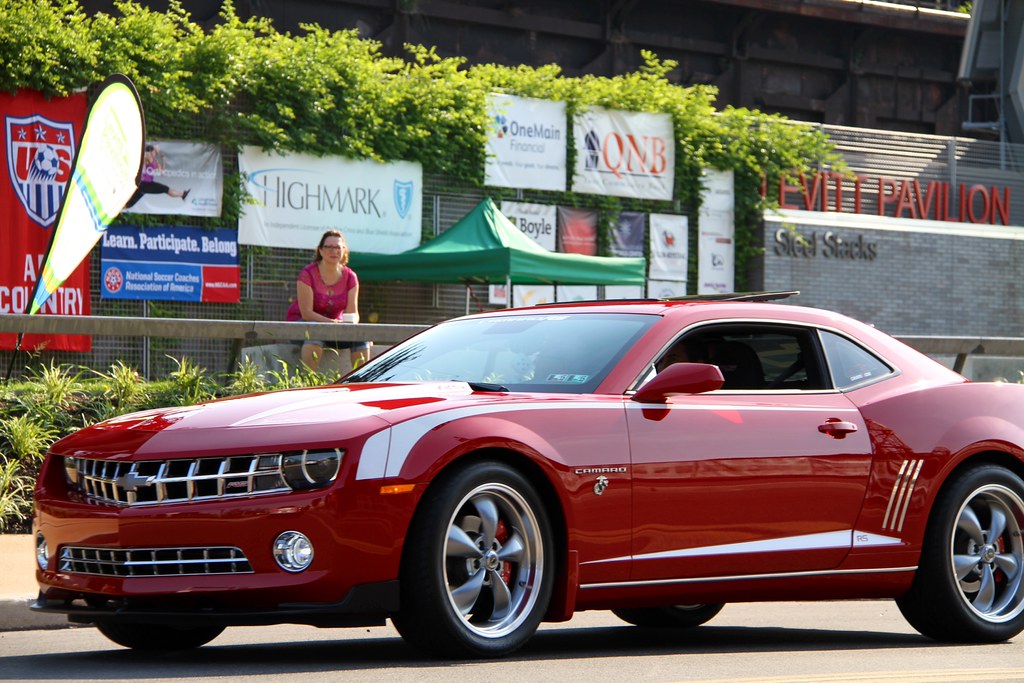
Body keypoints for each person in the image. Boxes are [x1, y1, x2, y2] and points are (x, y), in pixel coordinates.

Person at [285, 230, 370, 371]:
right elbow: (306, 314)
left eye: (338, 247)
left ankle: (360, 383)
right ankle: (309, 382)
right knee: (316, 331)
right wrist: (331, 323)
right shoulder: (307, 274)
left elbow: (353, 313)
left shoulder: (351, 277)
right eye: (329, 247)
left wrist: (352, 324)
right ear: (321, 250)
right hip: (304, 326)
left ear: (344, 251)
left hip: (335, 328)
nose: (334, 251)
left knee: (361, 335)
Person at [125, 144, 190, 208]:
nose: (156, 153)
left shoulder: (155, 161)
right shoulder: (148, 156)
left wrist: (163, 160)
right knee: (166, 189)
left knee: (129, 205)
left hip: (145, 184)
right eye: (154, 151)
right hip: (144, 183)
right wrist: (155, 148)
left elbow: (162, 172)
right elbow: (147, 150)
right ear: (151, 151)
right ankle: (182, 194)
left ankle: (182, 194)